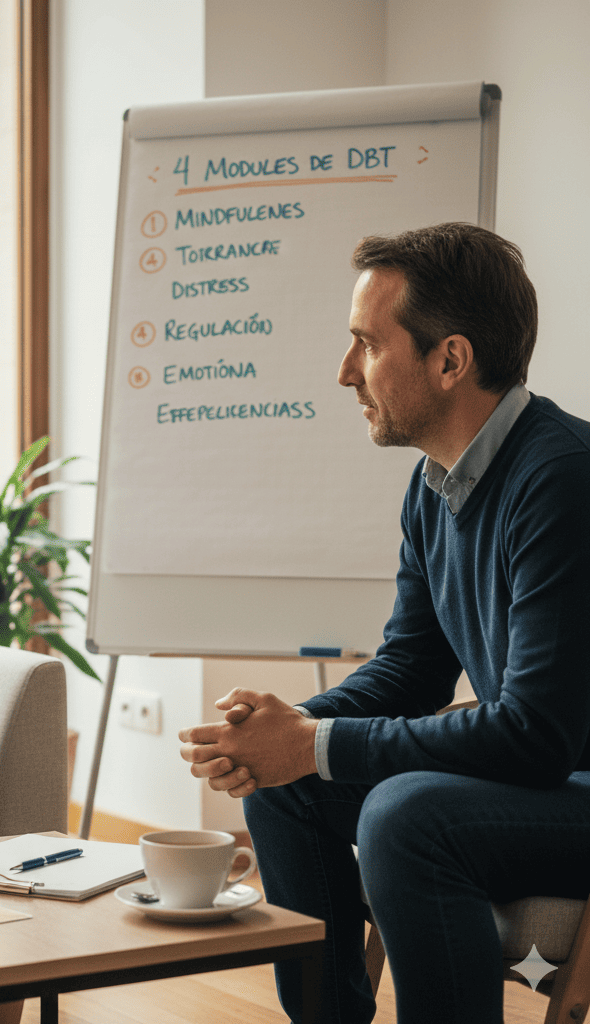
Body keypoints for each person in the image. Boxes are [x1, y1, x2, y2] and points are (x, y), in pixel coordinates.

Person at [178, 223, 590, 1024]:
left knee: (404, 815)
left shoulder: (562, 481)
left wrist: (311, 743)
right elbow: (411, 668)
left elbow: (538, 736)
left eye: (366, 344)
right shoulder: (434, 485)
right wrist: (284, 733)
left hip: (574, 780)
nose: (344, 372)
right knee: (285, 789)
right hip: (547, 777)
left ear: (450, 360)